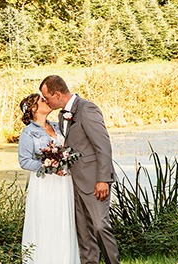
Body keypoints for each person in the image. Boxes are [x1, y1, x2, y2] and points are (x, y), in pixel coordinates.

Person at [40, 75, 121, 264]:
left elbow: (103, 146)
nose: (46, 101)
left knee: (100, 226)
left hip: (94, 182)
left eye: (47, 97)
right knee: (84, 233)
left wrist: (103, 179)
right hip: (74, 182)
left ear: (57, 94)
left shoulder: (87, 109)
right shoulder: (62, 115)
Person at [18, 93, 80, 264]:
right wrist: (48, 167)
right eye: (41, 100)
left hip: (64, 182)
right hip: (45, 184)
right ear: (33, 109)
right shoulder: (28, 132)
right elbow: (24, 161)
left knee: (63, 222)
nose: (46, 101)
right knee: (47, 222)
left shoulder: (57, 125)